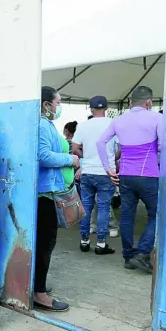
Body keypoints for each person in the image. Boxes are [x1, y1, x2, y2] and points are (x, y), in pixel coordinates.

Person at [97, 86, 163, 273]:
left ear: (131, 101)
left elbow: (100, 142)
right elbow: (164, 145)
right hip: (148, 175)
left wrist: (108, 168)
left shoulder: (119, 120)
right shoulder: (157, 117)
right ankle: (142, 254)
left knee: (127, 217)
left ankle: (128, 257)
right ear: (149, 102)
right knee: (156, 214)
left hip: (125, 175)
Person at [35, 87, 79, 311]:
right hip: (46, 195)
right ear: (46, 105)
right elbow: (42, 156)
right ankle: (39, 294)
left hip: (50, 191)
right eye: (57, 103)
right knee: (45, 244)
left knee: (44, 243)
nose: (58, 107)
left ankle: (36, 285)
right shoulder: (42, 125)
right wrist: (70, 159)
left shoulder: (46, 124)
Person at [71, 96, 117, 255]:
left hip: (88, 171)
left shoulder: (83, 126)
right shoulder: (113, 124)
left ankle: (84, 241)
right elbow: (122, 148)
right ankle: (101, 244)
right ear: (107, 108)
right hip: (106, 172)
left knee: (86, 207)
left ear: (91, 109)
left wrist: (86, 156)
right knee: (104, 208)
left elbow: (75, 148)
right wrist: (112, 158)